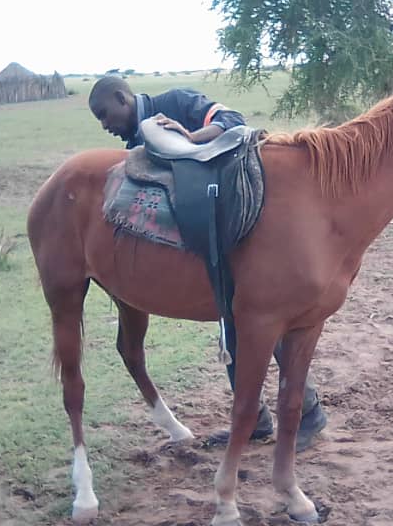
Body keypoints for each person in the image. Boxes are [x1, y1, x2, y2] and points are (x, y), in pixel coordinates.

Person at [88, 76, 328, 451]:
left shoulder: (177, 101)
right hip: (206, 240)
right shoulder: (138, 140)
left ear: (123, 98)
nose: (105, 124)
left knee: (262, 320)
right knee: (231, 324)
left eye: (104, 114)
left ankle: (308, 411)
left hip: (240, 218)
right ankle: (257, 420)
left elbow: (232, 120)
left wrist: (189, 135)